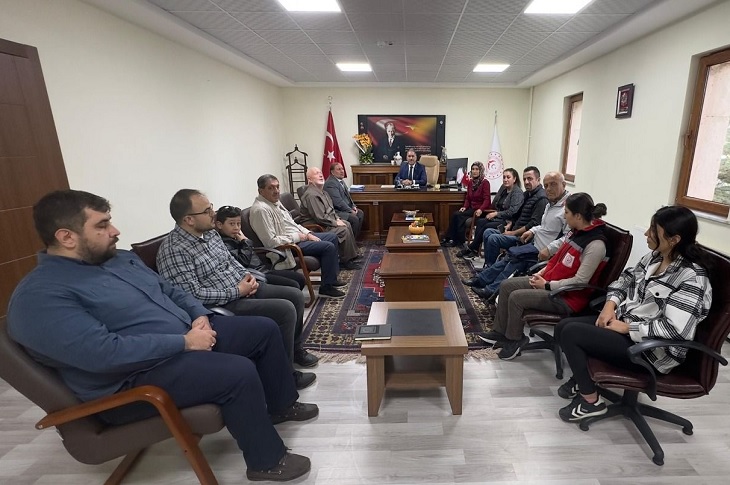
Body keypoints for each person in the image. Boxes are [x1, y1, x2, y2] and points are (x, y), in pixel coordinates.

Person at [7, 190, 317, 481]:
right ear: (66, 237)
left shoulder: (119, 258)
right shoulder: (40, 296)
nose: (115, 231)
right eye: (102, 225)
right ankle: (267, 462)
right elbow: (103, 353)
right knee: (237, 372)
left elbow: (172, 290)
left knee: (262, 329)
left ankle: (281, 405)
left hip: (184, 337)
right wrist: (184, 342)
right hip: (133, 378)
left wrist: (198, 316)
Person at [554, 206, 712, 422]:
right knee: (564, 326)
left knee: (572, 333)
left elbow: (676, 330)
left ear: (674, 239)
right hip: (626, 326)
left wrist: (628, 328)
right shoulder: (655, 257)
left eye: (654, 230)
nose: (647, 233)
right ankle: (584, 379)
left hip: (652, 350)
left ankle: (591, 402)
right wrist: (610, 305)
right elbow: (624, 280)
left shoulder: (691, 277)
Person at [156, 189, 319, 390]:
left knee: (294, 295)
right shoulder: (174, 250)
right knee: (284, 309)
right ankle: (285, 376)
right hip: (222, 304)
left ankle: (294, 352)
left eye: (211, 207)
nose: (213, 214)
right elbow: (191, 294)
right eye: (207, 211)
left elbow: (230, 262)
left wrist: (247, 278)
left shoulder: (210, 235)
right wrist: (237, 291)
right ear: (189, 219)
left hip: (242, 288)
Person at [479, 193, 609, 360]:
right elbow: (556, 259)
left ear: (577, 216)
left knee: (517, 297)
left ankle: (515, 339)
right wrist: (541, 273)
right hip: (549, 282)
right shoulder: (576, 232)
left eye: (567, 212)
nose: (563, 215)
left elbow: (580, 281)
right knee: (506, 285)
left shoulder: (595, 244)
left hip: (567, 296)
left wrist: (547, 285)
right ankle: (500, 332)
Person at [464, 172, 570, 299]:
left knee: (514, 259)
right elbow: (542, 226)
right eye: (546, 185)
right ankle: (482, 280)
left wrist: (549, 248)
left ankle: (489, 289)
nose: (548, 189)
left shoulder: (568, 207)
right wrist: (532, 231)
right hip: (534, 242)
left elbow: (569, 237)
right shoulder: (550, 203)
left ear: (563, 184)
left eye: (553, 184)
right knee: (509, 255)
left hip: (545, 251)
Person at [250, 174, 347, 299]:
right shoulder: (261, 210)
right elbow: (270, 241)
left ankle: (331, 279)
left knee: (332, 237)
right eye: (271, 188)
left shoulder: (275, 203)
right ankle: (326, 287)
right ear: (260, 191)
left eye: (277, 187)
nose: (276, 191)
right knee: (328, 247)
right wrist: (300, 237)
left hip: (297, 237)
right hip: (288, 247)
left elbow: (293, 224)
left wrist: (308, 233)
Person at [215, 205, 306, 290]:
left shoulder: (236, 237)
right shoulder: (223, 243)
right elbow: (243, 262)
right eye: (232, 224)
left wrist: (243, 241)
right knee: (294, 285)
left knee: (300, 278)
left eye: (238, 224)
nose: (236, 228)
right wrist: (245, 241)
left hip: (263, 270)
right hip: (255, 276)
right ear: (219, 225)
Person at [480, 166, 548, 268]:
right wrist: (510, 223)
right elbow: (517, 213)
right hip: (514, 229)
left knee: (493, 239)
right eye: (524, 179)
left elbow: (534, 224)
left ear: (538, 180)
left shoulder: (541, 198)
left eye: (530, 179)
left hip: (523, 237)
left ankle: (492, 269)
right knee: (487, 232)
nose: (526, 182)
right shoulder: (527, 194)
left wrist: (512, 233)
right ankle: (489, 266)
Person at [299, 167, 361, 270]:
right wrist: (335, 223)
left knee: (347, 223)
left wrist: (337, 219)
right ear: (309, 179)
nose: (320, 175)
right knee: (343, 229)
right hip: (317, 226)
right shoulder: (311, 195)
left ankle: (351, 256)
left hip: (326, 222)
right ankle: (346, 261)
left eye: (320, 173)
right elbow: (319, 217)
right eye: (316, 174)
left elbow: (331, 210)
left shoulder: (323, 192)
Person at [457, 168, 523, 259]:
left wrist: (496, 214)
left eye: (508, 177)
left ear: (514, 179)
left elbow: (513, 211)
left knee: (487, 226)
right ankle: (475, 250)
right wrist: (489, 213)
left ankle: (471, 248)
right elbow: (495, 202)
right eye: (504, 177)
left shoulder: (517, 192)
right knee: (481, 222)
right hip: (498, 217)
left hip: (508, 221)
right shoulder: (503, 188)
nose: (505, 180)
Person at [440, 161, 492, 247]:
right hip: (471, 209)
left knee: (458, 215)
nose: (474, 171)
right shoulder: (471, 182)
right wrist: (464, 206)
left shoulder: (485, 183)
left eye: (476, 169)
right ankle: (452, 239)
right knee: (456, 214)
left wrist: (481, 209)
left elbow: (487, 200)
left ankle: (456, 240)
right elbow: (468, 197)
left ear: (481, 171)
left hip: (480, 211)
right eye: (473, 169)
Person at [323, 162, 364, 239]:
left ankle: (355, 240)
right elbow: (338, 202)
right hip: (336, 211)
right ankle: (351, 243)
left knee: (360, 213)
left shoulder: (340, 180)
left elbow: (348, 197)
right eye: (339, 169)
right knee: (354, 219)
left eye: (342, 169)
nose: (342, 171)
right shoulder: (331, 183)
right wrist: (350, 210)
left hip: (344, 209)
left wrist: (353, 206)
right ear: (332, 172)